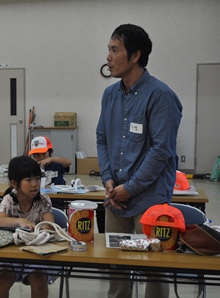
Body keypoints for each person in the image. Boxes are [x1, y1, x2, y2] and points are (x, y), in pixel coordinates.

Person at [96, 24, 183, 298]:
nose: (108, 57)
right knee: (117, 268)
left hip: (150, 200)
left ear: (135, 56)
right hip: (115, 198)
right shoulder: (110, 95)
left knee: (153, 270)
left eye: (114, 50)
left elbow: (161, 151)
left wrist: (129, 188)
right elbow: (102, 139)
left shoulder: (161, 96)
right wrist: (109, 179)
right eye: (108, 50)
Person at [0, 155, 55, 298]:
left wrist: (47, 227)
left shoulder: (43, 200)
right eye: (28, 180)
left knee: (39, 282)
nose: (35, 184)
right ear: (14, 183)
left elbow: (49, 221)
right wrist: (20, 221)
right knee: (1, 280)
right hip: (11, 255)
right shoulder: (9, 200)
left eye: (37, 178)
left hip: (36, 255)